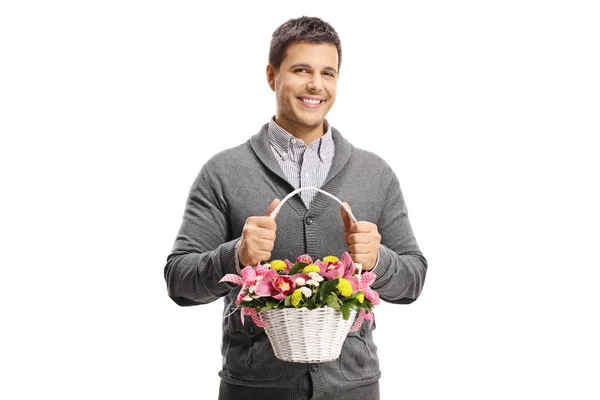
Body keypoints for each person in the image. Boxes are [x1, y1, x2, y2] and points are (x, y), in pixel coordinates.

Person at [164, 16, 427, 400]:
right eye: (301, 70)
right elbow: (179, 281)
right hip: (254, 390)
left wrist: (379, 261)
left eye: (328, 73)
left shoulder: (375, 174)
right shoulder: (223, 172)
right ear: (272, 76)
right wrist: (234, 256)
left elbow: (413, 279)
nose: (315, 85)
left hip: (353, 389)